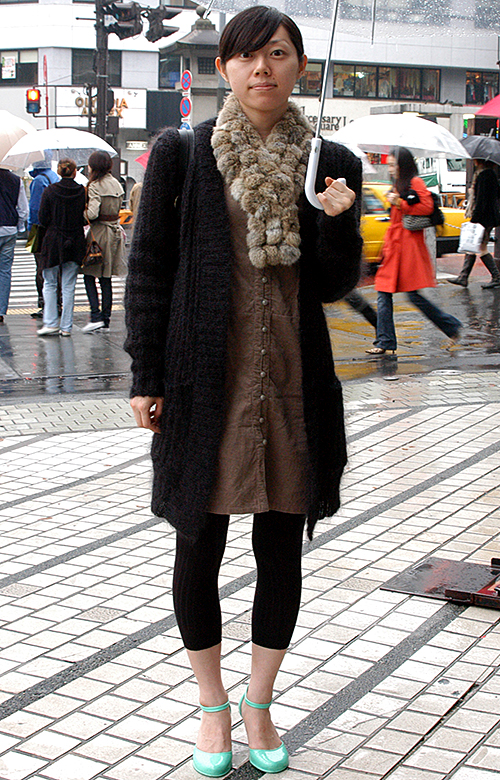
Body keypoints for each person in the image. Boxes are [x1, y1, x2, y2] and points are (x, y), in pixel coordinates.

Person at [124, 6, 362, 776]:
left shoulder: (329, 160)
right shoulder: (182, 154)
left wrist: (338, 222)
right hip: (205, 384)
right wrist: (145, 375)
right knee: (199, 540)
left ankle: (259, 703)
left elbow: (332, 285)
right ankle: (213, 706)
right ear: (224, 67)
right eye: (248, 55)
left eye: (279, 54)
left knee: (280, 547)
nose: (263, 68)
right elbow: (149, 269)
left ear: (299, 67)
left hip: (292, 382)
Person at [366, 146, 461, 355]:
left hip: (408, 247)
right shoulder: (398, 184)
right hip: (395, 246)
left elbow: (426, 207)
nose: (390, 169)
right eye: (389, 165)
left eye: (393, 165)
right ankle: (385, 340)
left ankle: (451, 326)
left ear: (403, 165)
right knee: (384, 292)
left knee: (412, 296)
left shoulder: (415, 182)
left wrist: (400, 202)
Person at [36, 159, 86, 337]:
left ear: (58, 171)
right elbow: (84, 217)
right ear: (74, 172)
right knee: (69, 285)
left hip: (53, 239)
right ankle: (66, 327)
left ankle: (50, 323)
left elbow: (42, 218)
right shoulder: (82, 191)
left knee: (49, 282)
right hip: (75, 240)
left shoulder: (50, 191)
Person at [82, 151, 126, 332]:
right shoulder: (116, 183)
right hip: (114, 232)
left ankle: (95, 315)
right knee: (106, 277)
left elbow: (93, 213)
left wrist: (82, 213)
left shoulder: (95, 185)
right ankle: (106, 319)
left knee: (89, 273)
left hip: (99, 233)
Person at [448, 158, 500, 289]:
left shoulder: (484, 175)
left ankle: (496, 277)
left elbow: (482, 201)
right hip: (488, 216)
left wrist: (475, 219)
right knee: (471, 246)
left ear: (480, 160)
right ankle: (463, 277)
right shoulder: (490, 174)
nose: (474, 161)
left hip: (484, 218)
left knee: (481, 248)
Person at [27, 154, 59, 318]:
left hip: (40, 229)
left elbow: (35, 209)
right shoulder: (54, 176)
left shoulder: (39, 180)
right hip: (56, 228)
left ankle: (44, 303)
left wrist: (30, 229)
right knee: (56, 266)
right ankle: (58, 302)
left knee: (41, 267)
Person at [0, 165, 28, 324]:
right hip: (9, 230)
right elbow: (23, 210)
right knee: (4, 271)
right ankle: (0, 310)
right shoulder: (15, 180)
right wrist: (19, 226)